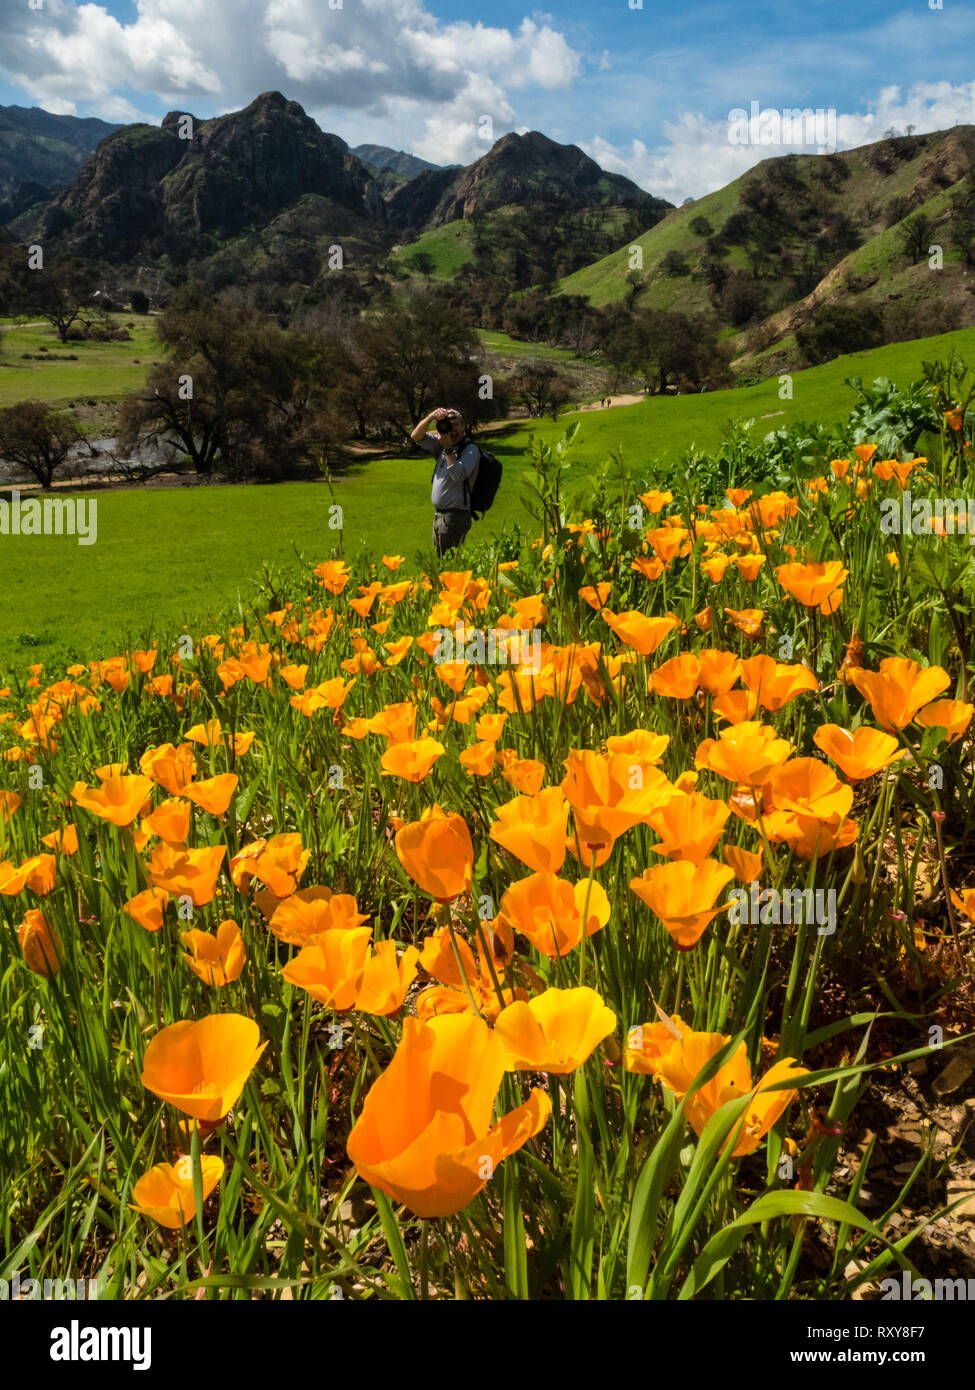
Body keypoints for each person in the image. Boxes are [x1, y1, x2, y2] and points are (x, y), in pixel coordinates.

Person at [410, 406, 480, 557]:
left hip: (455, 516)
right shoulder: (441, 443)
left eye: (456, 425)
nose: (453, 429)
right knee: (442, 560)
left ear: (463, 426)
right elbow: (415, 436)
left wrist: (448, 448)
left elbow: (458, 475)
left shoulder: (470, 449)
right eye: (449, 424)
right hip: (440, 516)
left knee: (447, 565)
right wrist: (431, 417)